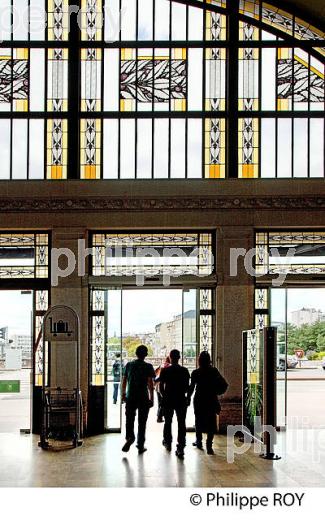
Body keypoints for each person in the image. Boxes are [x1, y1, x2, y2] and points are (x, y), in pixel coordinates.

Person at [188, 351, 228, 455]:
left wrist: (187, 398)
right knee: (211, 422)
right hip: (211, 398)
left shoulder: (196, 372)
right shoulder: (214, 371)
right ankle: (209, 445)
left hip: (199, 399)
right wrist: (217, 392)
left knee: (198, 420)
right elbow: (224, 384)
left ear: (199, 360)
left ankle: (199, 441)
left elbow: (192, 388)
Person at [121, 345, 155, 454]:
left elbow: (124, 381)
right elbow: (150, 384)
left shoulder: (129, 365)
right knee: (142, 422)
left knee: (129, 419)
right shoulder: (148, 366)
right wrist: (152, 398)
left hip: (131, 396)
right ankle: (140, 445)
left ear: (136, 353)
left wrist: (123, 394)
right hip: (143, 397)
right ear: (145, 355)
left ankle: (130, 437)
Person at [159, 349, 190, 460]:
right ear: (179, 357)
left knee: (168, 421)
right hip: (181, 399)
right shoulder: (185, 371)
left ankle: (167, 442)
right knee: (181, 423)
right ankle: (180, 447)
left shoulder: (165, 371)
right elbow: (187, 387)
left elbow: (160, 386)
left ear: (170, 357)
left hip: (168, 399)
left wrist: (164, 395)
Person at [155, 355, 171, 423]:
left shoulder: (161, 365)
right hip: (164, 387)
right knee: (163, 403)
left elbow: (155, 373)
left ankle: (159, 417)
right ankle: (159, 417)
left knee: (160, 402)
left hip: (157, 386)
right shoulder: (169, 366)